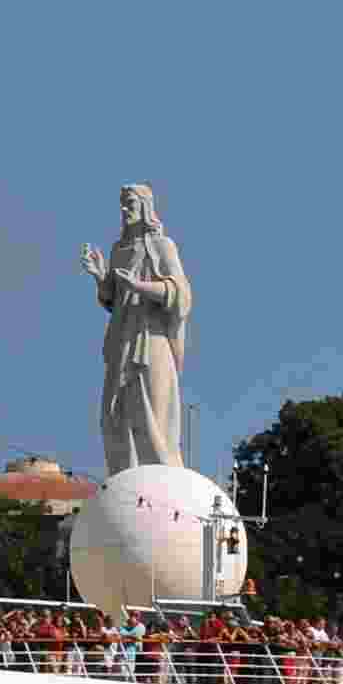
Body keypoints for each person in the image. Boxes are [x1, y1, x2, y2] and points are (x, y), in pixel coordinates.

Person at [82, 183, 193, 475]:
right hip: (122, 339)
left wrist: (139, 285)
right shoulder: (119, 250)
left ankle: (162, 477)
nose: (124, 209)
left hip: (152, 338)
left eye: (129, 202)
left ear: (145, 206)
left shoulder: (162, 246)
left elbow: (180, 293)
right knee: (116, 412)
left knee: (153, 410)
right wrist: (101, 278)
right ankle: (125, 477)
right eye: (121, 204)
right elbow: (115, 300)